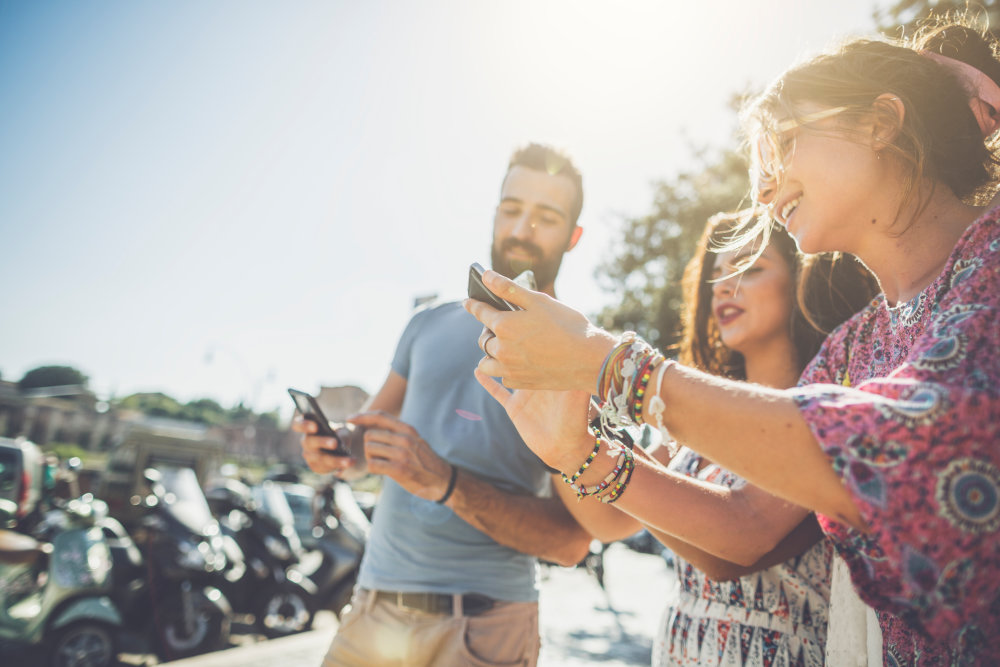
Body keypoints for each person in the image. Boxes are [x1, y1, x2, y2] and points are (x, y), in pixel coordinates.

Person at [466, 18, 1000, 665]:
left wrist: (606, 363)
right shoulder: (852, 349)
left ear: (880, 122)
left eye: (787, 143)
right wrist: (576, 448)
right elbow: (744, 527)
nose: (766, 188)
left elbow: (911, 449)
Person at [297, 142, 593, 667]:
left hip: (484, 630)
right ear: (494, 214)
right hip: (371, 614)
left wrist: (445, 482)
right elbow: (367, 435)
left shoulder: (581, 355)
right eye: (511, 209)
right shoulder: (427, 323)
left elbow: (571, 544)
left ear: (573, 237)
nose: (522, 229)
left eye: (545, 217)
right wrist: (336, 448)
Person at [549, 211, 876, 665]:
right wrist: (561, 420)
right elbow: (608, 523)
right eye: (717, 274)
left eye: (749, 268)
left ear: (804, 277)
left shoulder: (824, 409)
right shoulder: (692, 424)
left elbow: (732, 550)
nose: (723, 286)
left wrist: (581, 446)